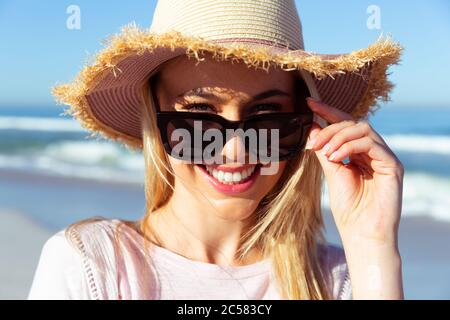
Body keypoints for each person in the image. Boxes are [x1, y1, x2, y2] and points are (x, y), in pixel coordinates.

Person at [28, 0, 404, 300]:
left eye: (267, 113)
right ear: (153, 115)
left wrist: (373, 245)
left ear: (304, 121)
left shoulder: (341, 279)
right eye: (199, 114)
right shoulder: (91, 266)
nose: (236, 150)